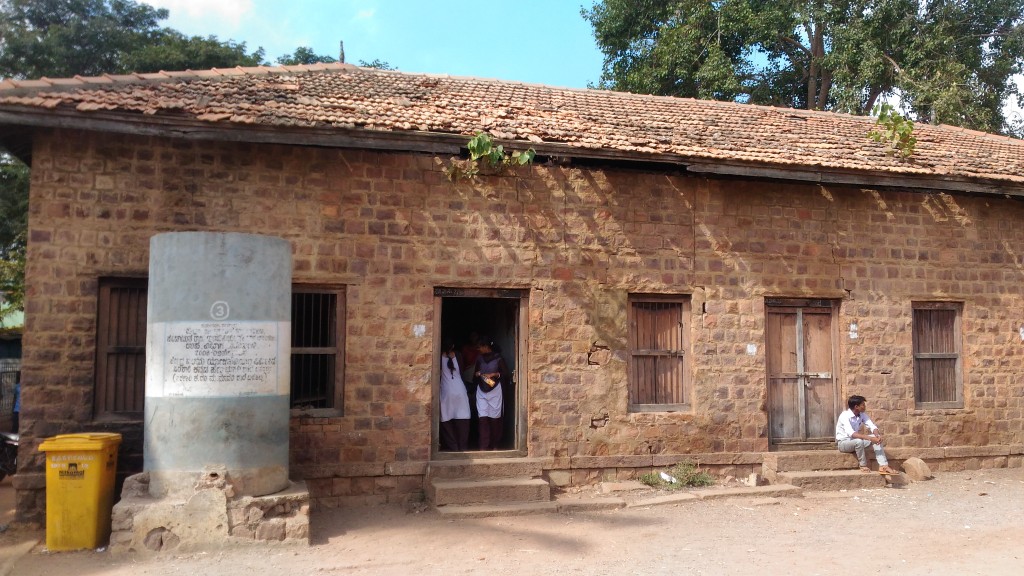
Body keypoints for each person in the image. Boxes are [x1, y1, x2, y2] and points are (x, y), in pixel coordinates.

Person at [835, 394, 896, 474]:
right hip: (843, 443)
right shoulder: (844, 416)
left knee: (875, 438)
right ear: (856, 407)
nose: (865, 406)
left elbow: (872, 426)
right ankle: (863, 465)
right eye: (863, 405)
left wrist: (877, 436)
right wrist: (870, 438)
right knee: (859, 441)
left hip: (855, 441)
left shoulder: (862, 415)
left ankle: (883, 466)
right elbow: (852, 434)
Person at [474, 337, 509, 450]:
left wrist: (494, 374)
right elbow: (475, 374)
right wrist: (478, 374)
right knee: (483, 418)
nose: (478, 349)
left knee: (494, 419)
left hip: (495, 391)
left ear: (486, 347)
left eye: (480, 347)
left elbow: (506, 374)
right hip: (481, 390)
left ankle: (494, 445)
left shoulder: (498, 359)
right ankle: (483, 446)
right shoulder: (479, 359)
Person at [438, 341, 471, 451]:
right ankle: (463, 448)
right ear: (453, 346)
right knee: (463, 419)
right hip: (460, 390)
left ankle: (454, 448)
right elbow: (462, 371)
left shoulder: (439, 356)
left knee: (446, 419)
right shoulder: (457, 355)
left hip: (446, 391)